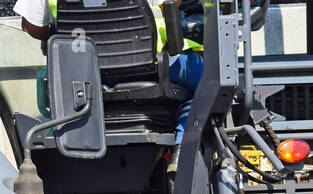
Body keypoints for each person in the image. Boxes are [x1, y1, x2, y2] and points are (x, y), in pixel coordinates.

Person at [13, 0, 204, 153]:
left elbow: (32, 25)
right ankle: (183, 150)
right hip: (152, 65)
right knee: (212, 81)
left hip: (83, 71)